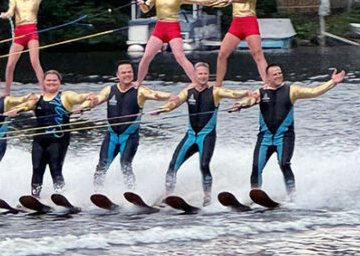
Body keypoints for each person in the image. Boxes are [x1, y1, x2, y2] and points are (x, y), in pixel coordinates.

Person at [232, 65, 345, 197]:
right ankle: (255, 196)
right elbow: (250, 100)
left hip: (284, 137)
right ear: (267, 78)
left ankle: (292, 197)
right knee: (256, 167)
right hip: (265, 138)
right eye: (274, 74)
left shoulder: (292, 90)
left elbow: (315, 91)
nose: (279, 76)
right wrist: (240, 105)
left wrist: (332, 82)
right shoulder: (261, 92)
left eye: (280, 73)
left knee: (284, 164)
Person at [153, 62, 253, 206]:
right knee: (172, 166)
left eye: (205, 74)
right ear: (194, 75)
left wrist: (245, 93)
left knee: (204, 165)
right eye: (200, 74)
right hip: (191, 136)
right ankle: (168, 196)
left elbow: (231, 93)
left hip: (207, 136)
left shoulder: (215, 92)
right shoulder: (188, 92)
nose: (203, 76)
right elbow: (174, 103)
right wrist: (161, 110)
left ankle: (207, 198)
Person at [86, 62, 173, 190]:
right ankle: (97, 191)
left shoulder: (140, 91)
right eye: (124, 72)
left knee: (125, 164)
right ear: (117, 75)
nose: (127, 74)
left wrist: (170, 97)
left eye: (130, 72)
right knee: (102, 165)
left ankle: (131, 191)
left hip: (129, 137)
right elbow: (97, 100)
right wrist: (90, 102)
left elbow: (155, 95)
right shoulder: (110, 90)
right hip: (111, 136)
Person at [6, 70, 93, 197]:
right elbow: (25, 106)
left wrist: (87, 98)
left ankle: (61, 195)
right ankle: (35, 197)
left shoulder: (65, 96)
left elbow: (79, 98)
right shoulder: (37, 99)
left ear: (59, 83)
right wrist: (16, 111)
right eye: (48, 80)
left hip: (58, 140)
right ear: (43, 83)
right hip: (39, 140)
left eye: (54, 80)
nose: (51, 83)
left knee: (55, 170)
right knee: (37, 169)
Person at [135, 0, 218, 86]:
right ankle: (138, 82)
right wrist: (142, 3)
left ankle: (196, 82)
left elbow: (199, 1)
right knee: (146, 56)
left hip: (173, 28)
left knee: (180, 57)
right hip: (160, 27)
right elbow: (146, 9)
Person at [1, 0, 65, 96]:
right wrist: (6, 15)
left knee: (35, 62)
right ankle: (6, 93)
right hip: (18, 33)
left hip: (31, 32)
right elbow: (11, 12)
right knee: (10, 65)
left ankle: (43, 91)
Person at [210, 0, 267, 86]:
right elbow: (225, 1)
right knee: (222, 54)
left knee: (257, 54)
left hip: (249, 22)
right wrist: (209, 2)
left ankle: (267, 83)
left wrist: (233, 0)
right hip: (236, 24)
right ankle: (218, 84)